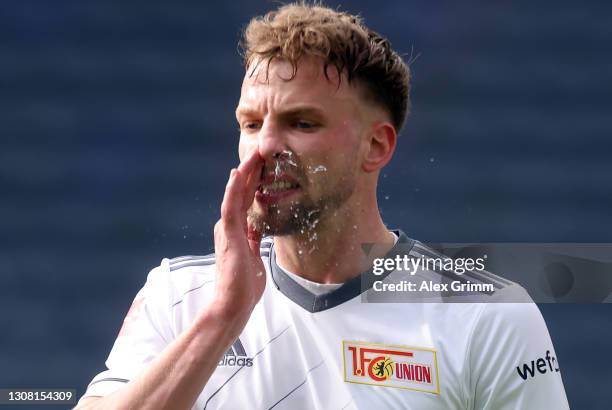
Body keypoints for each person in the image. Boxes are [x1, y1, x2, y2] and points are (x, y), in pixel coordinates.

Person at [76, 3, 569, 409]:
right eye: (250, 124)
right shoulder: (179, 298)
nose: (264, 147)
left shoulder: (485, 313)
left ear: (376, 146)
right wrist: (223, 317)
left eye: (302, 123)